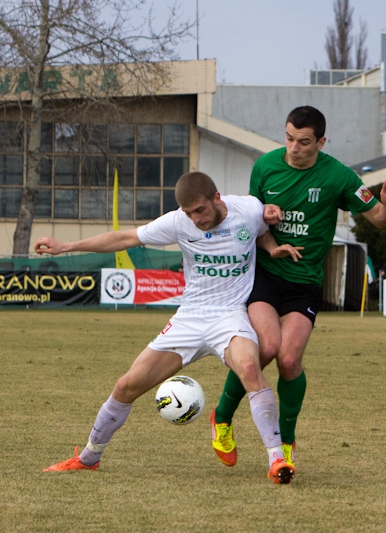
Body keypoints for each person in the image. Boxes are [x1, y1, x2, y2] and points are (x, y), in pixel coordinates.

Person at [36, 171, 303, 484]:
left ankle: (277, 460)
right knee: (126, 386)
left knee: (249, 367)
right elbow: (124, 238)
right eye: (188, 213)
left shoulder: (247, 209)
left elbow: (261, 225)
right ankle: (88, 458)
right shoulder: (178, 221)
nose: (195, 219)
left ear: (217, 199)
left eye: (200, 211)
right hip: (189, 318)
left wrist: (270, 238)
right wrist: (65, 246)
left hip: (229, 315)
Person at [211, 106, 386, 470]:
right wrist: (268, 232)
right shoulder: (265, 167)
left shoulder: (338, 176)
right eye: (288, 138)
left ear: (321, 141)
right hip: (265, 275)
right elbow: (253, 222)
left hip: (305, 282)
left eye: (303, 142)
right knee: (266, 348)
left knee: (289, 360)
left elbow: (380, 219)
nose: (293, 148)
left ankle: (286, 444)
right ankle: (221, 419)